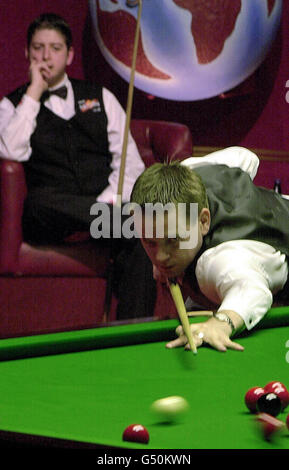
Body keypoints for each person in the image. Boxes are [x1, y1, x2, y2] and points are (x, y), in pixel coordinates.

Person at [0, 13, 144, 243]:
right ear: (27, 53)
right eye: (38, 48)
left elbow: (130, 164)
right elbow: (10, 151)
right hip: (50, 216)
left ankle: (115, 224)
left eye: (55, 48)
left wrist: (104, 207)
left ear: (69, 55)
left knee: (136, 239)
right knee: (39, 203)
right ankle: (130, 223)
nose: (46, 56)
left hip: (105, 207)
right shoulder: (11, 105)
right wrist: (34, 93)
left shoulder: (102, 97)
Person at [129, 146, 289, 352]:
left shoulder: (219, 261)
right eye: (150, 242)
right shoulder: (189, 174)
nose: (160, 256)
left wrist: (221, 324)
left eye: (173, 240)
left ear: (204, 221)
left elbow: (252, 290)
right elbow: (246, 158)